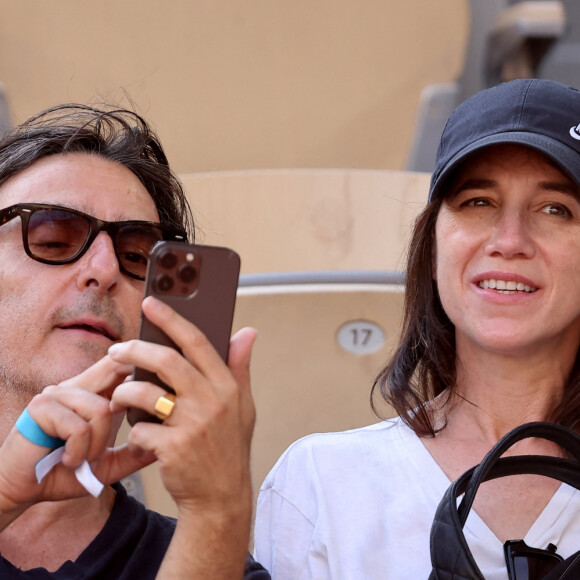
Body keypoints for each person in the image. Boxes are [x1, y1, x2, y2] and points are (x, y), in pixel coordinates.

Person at [253, 78, 580, 579]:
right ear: (432, 248)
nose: (510, 240)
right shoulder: (321, 483)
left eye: (555, 209)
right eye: (477, 202)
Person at [0, 103, 270, 579]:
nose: (104, 271)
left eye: (138, 254)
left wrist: (218, 511)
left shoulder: (212, 557)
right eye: (53, 235)